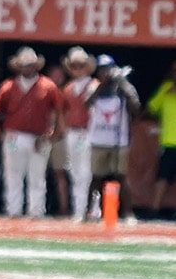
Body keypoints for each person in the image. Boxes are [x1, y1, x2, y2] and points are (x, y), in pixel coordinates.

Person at [0, 46, 62, 218]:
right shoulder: (8, 86)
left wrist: (53, 132)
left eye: (30, 65)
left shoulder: (48, 86)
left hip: (39, 136)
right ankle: (13, 211)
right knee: (13, 175)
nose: (27, 68)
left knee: (37, 177)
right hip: (14, 135)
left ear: (36, 66)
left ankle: (36, 211)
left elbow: (58, 110)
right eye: (24, 65)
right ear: (18, 67)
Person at [83, 54, 141, 222]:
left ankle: (128, 213)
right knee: (96, 178)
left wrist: (122, 83)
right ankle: (90, 211)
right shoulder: (94, 88)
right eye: (101, 70)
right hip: (98, 140)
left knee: (121, 177)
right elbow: (87, 103)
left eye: (107, 70)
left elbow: (136, 108)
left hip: (119, 141)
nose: (105, 73)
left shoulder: (123, 88)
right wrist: (103, 85)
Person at [59, 47, 97, 220]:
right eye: (74, 66)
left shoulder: (94, 86)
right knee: (74, 172)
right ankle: (78, 209)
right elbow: (63, 112)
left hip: (88, 132)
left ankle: (90, 209)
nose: (77, 69)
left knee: (87, 173)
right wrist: (64, 129)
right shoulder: (68, 88)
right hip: (72, 132)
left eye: (80, 66)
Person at [147, 60, 176, 218]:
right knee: (162, 178)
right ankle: (154, 210)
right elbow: (150, 109)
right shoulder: (165, 89)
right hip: (168, 142)